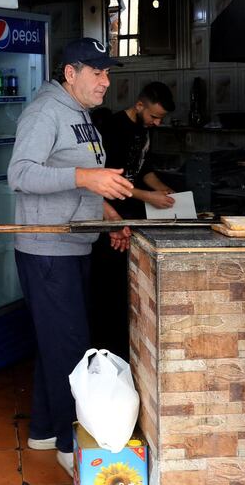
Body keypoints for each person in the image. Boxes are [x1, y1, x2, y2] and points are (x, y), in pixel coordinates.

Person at [7, 37, 133, 476]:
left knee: (57, 343)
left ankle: (43, 428)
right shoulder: (45, 112)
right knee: (71, 349)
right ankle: (68, 443)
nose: (105, 81)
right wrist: (86, 176)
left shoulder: (82, 116)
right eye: (97, 72)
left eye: (107, 73)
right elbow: (19, 174)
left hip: (74, 244)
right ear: (70, 73)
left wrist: (109, 214)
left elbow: (86, 182)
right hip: (47, 250)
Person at [89, 81, 175, 358]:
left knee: (130, 284)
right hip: (110, 217)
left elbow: (143, 169)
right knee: (109, 288)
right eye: (154, 116)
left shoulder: (144, 130)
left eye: (161, 118)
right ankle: (105, 350)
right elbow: (112, 180)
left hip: (133, 216)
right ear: (139, 105)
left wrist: (160, 188)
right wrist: (149, 197)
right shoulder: (112, 129)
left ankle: (128, 346)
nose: (157, 122)